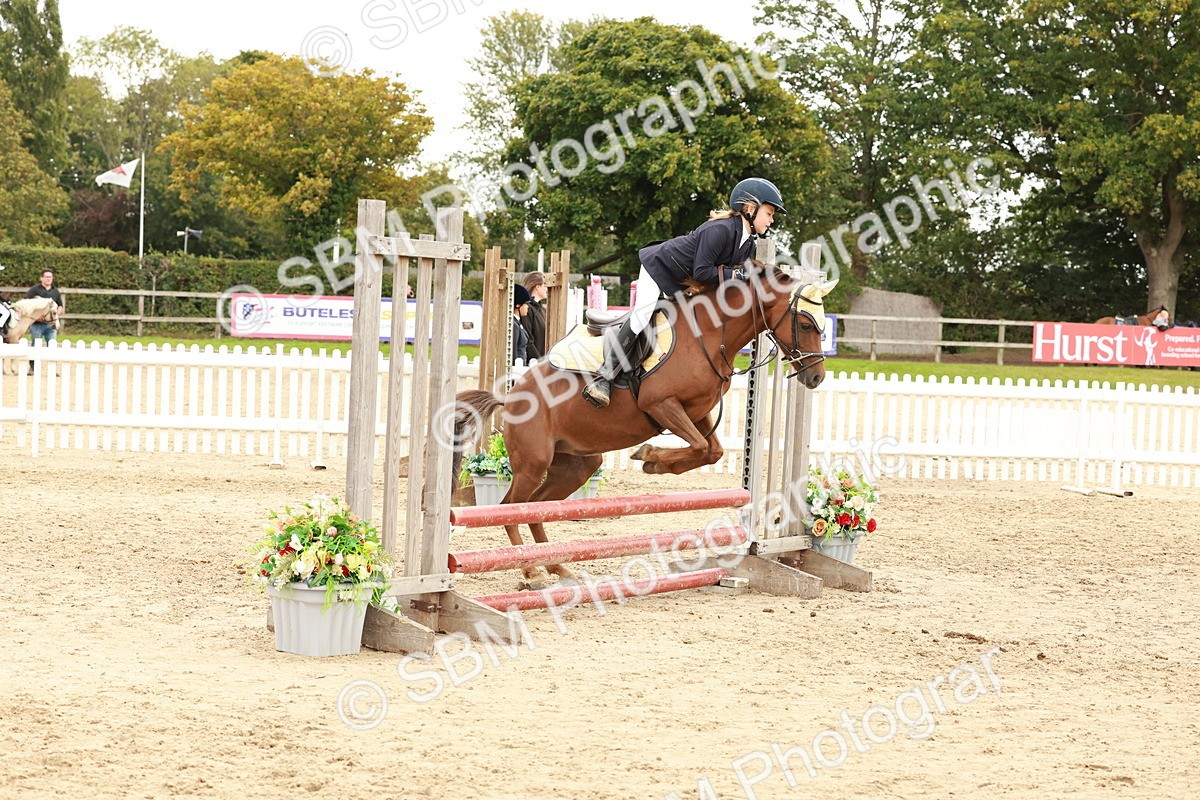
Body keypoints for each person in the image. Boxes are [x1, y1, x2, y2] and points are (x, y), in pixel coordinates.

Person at [582, 177, 786, 408]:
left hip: (683, 281)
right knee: (642, 315)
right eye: (769, 213)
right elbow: (702, 272)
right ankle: (603, 378)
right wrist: (738, 276)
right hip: (659, 266)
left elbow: (724, 282)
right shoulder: (719, 230)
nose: (771, 220)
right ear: (750, 208)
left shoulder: (747, 244)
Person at [26, 268, 64, 375]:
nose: (48, 279)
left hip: (50, 325)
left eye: (50, 277)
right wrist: (36, 316)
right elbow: (28, 304)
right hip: (37, 324)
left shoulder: (55, 291)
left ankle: (52, 369)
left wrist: (57, 314)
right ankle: (32, 368)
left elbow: (60, 305)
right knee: (35, 345)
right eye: (46, 277)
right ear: (41, 278)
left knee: (52, 346)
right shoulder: (34, 290)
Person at [520, 271, 549, 360]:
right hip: (534, 365)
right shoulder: (527, 309)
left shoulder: (542, 309)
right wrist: (539, 363)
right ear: (537, 287)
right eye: (545, 285)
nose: (547, 289)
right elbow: (528, 340)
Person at [511, 282, 532, 366]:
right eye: (526, 304)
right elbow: (513, 352)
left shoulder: (518, 323)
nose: (528, 307)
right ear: (518, 305)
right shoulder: (514, 325)